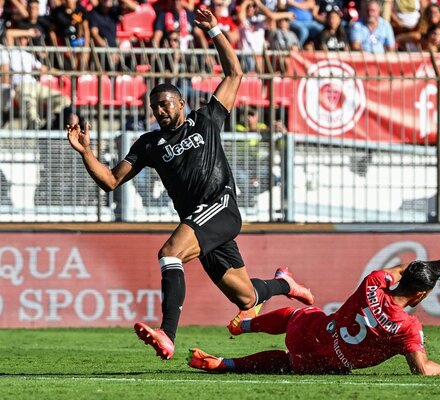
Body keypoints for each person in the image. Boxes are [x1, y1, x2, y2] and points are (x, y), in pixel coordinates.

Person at [67, 8, 314, 361]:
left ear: (181, 103)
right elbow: (110, 181)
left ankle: (167, 334)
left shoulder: (206, 119)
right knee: (245, 297)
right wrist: (85, 152)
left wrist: (214, 29)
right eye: (155, 108)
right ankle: (284, 283)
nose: (160, 112)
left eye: (165, 104)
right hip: (200, 221)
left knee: (169, 254)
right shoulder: (149, 144)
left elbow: (235, 72)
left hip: (220, 207)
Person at [188, 241, 440, 376]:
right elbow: (422, 369)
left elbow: (400, 268)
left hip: (309, 332)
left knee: (297, 314)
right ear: (421, 294)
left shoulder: (374, 283)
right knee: (286, 362)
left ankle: (246, 325)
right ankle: (226, 364)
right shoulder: (407, 328)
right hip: (322, 364)